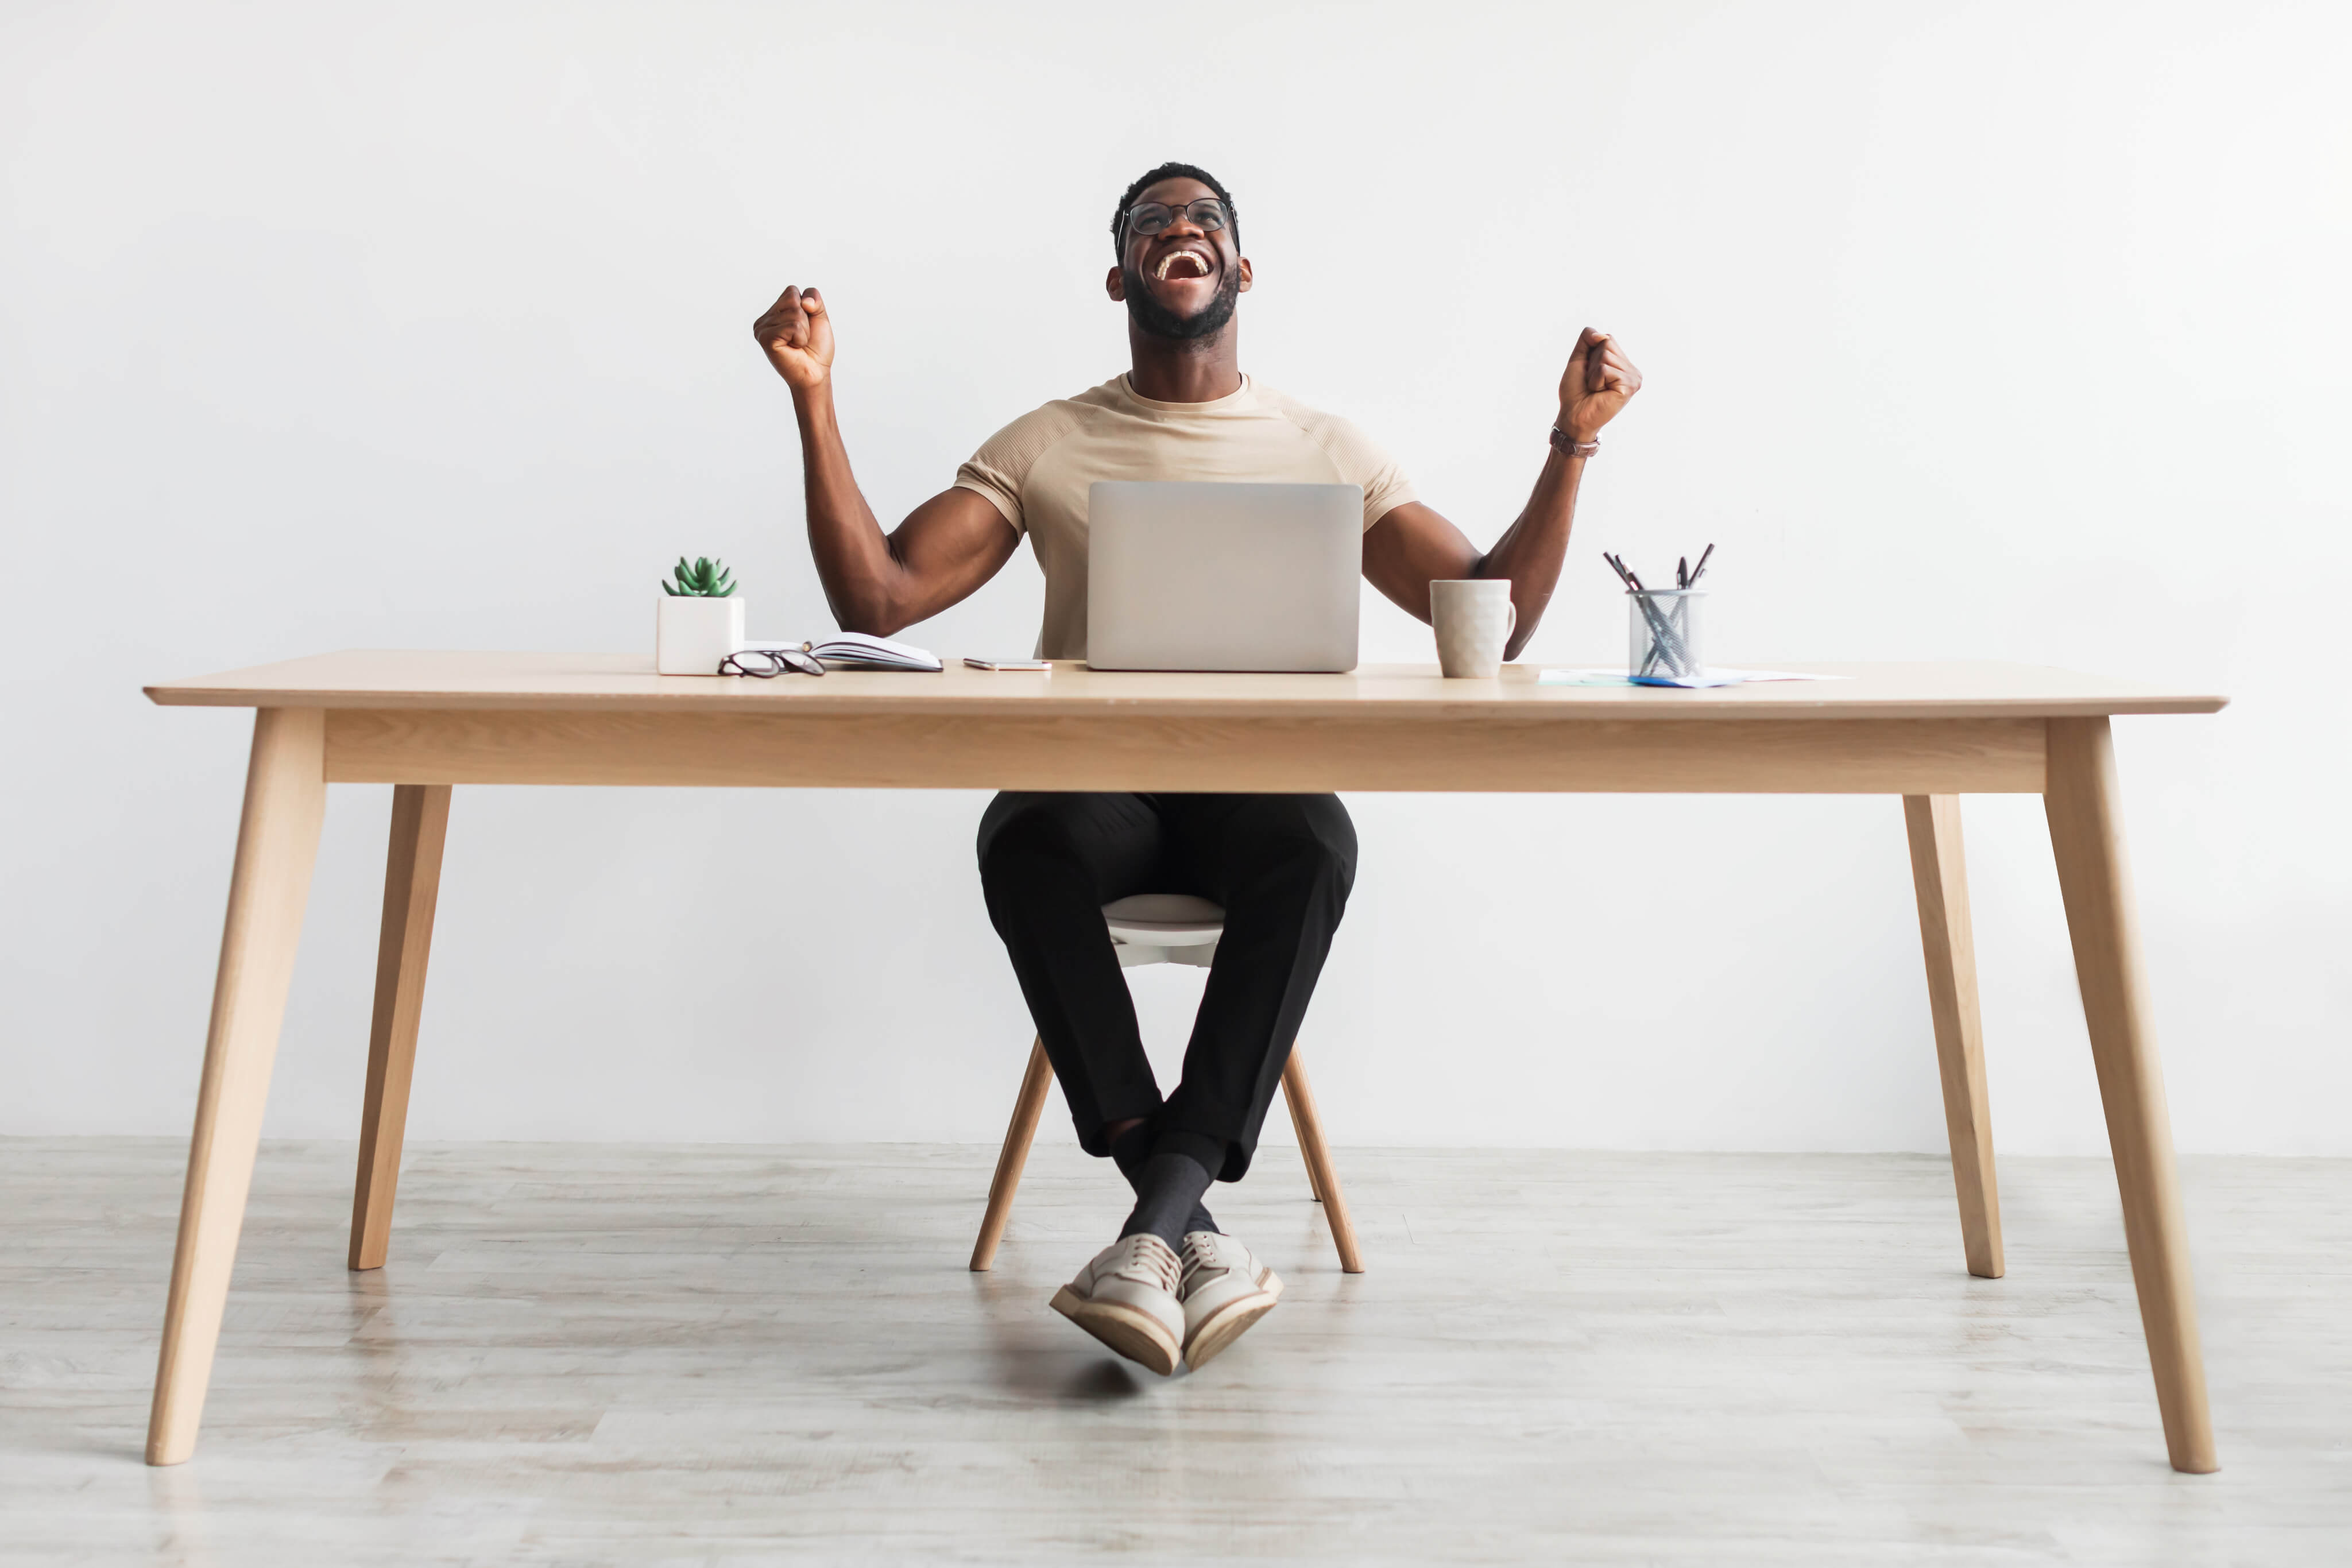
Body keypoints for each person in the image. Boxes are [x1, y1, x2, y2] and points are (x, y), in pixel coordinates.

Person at [753, 161, 1641, 1376]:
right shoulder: (1047, 440)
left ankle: (1151, 1224)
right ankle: (1187, 1226)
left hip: (1253, 801)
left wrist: (1568, 444)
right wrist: (814, 400)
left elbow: (1487, 621)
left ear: (1240, 268)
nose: (1182, 230)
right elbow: (880, 595)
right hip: (1093, 797)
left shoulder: (1324, 445)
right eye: (1152, 224)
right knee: (1020, 837)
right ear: (1119, 274)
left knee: (1317, 843)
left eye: (1205, 220)